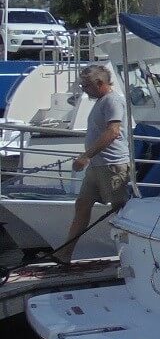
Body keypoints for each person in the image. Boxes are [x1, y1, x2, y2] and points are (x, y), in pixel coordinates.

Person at [59, 64, 131, 263]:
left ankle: (129, 255)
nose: (84, 89)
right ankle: (65, 253)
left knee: (120, 211)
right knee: (82, 205)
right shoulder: (100, 101)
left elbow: (113, 131)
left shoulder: (113, 101)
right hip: (97, 166)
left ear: (100, 83)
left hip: (112, 165)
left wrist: (86, 156)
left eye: (86, 86)